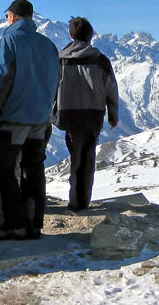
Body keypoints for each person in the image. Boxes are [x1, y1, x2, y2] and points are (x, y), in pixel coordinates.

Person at [0, 0, 63, 239]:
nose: (7, 19)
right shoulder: (49, 45)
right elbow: (56, 80)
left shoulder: (9, 40)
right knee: (34, 169)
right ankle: (34, 224)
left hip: (14, 117)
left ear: (14, 17)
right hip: (41, 118)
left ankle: (15, 225)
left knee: (6, 170)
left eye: (7, 15)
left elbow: (3, 78)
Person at [55, 17, 118, 212]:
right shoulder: (100, 60)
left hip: (68, 115)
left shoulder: (60, 59)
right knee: (87, 157)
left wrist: (52, 111)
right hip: (92, 115)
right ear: (91, 36)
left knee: (75, 156)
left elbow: (50, 86)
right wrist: (113, 114)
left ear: (71, 35)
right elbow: (111, 88)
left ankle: (74, 201)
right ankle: (82, 201)